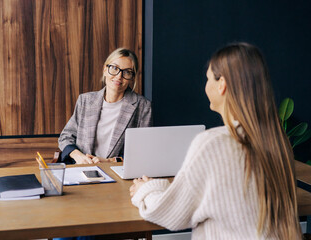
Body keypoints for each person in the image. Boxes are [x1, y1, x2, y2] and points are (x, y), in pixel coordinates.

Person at [129, 43, 302, 239]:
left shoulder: (213, 144)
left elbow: (172, 214)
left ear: (222, 85)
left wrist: (146, 190)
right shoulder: (279, 142)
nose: (206, 85)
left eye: (208, 78)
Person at [58, 47, 152, 165]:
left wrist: (109, 161)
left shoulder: (143, 106)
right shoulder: (85, 100)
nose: (119, 76)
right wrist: (78, 156)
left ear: (132, 78)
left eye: (127, 72)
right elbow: (65, 137)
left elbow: (142, 150)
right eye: (114, 68)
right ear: (105, 70)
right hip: (81, 168)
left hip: (117, 172)